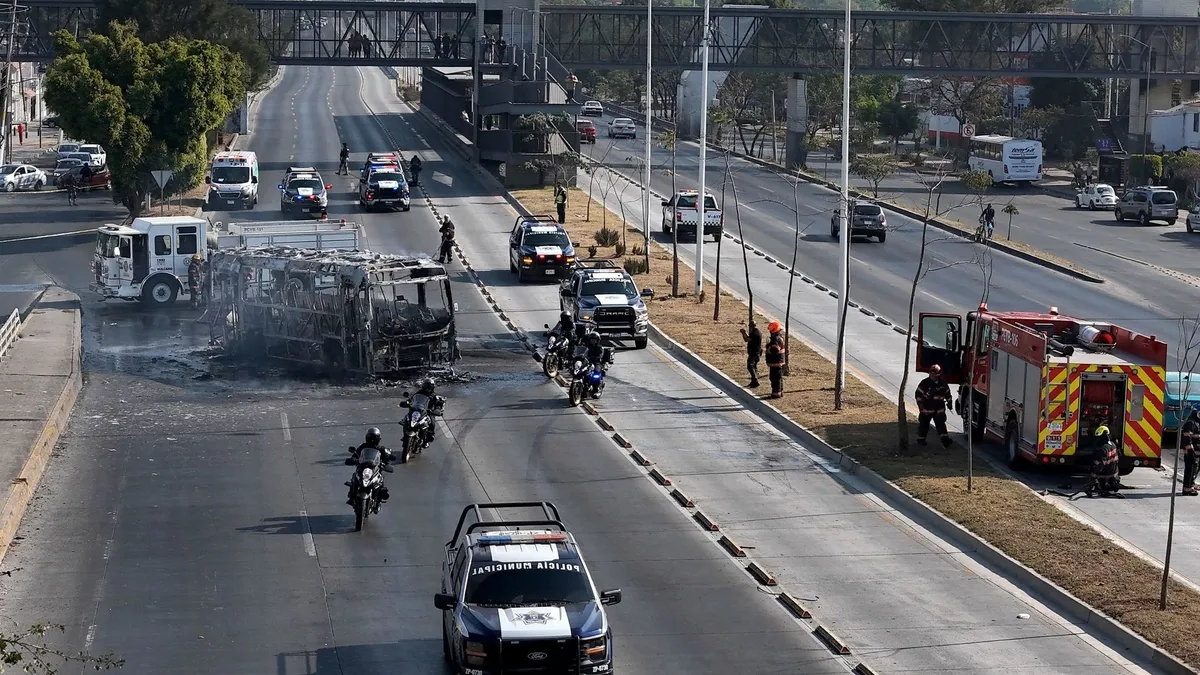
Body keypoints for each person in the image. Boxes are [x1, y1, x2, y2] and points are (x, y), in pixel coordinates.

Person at [347, 427, 395, 505]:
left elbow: (386, 458)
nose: (372, 440)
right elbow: (356, 454)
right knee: (355, 478)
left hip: (375, 468)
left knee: (380, 482)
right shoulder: (363, 446)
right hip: (363, 466)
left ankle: (378, 500)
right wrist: (353, 459)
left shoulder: (381, 449)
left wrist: (387, 464)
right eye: (370, 437)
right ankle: (352, 496)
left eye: (374, 438)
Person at [915, 364, 953, 448]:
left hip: (939, 409)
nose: (934, 377)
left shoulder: (943, 384)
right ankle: (921, 439)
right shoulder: (924, 383)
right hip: (926, 409)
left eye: (936, 375)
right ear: (929, 374)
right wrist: (921, 406)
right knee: (924, 425)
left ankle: (945, 441)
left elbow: (948, 394)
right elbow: (918, 395)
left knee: (941, 425)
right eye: (933, 375)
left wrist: (950, 403)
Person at [406, 378, 447, 442]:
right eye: (426, 386)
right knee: (407, 418)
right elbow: (412, 399)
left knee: (432, 422)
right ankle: (406, 433)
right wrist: (407, 402)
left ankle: (429, 436)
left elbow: (437, 403)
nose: (428, 388)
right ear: (423, 386)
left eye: (430, 386)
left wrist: (436, 410)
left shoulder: (433, 395)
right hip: (417, 409)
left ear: (432, 387)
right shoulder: (419, 392)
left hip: (428, 412)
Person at [1087, 425, 1121, 497]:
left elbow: (1099, 465)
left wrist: (1092, 476)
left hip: (1106, 473)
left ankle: (1099, 485)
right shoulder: (1113, 445)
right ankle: (1112, 483)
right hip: (1114, 473)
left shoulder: (1102, 450)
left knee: (1093, 473)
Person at [765, 321, 786, 399]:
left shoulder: (775, 339)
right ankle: (780, 392)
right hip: (778, 362)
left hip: (775, 362)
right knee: (778, 378)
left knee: (774, 378)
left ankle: (776, 394)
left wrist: (768, 347)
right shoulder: (779, 337)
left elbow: (775, 349)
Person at [1181, 409, 1199, 496]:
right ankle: (1187, 489)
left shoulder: (1197, 422)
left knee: (1194, 470)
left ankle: (1191, 486)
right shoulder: (1191, 423)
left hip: (1196, 452)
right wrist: (1190, 451)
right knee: (1190, 470)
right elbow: (1187, 439)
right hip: (1191, 453)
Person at [740, 320, 762, 388]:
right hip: (757, 353)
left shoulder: (755, 333)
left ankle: (755, 380)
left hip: (753, 353)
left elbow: (747, 339)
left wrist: (743, 333)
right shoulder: (756, 332)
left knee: (750, 366)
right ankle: (753, 382)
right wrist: (745, 333)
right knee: (754, 367)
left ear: (751, 326)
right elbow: (749, 338)